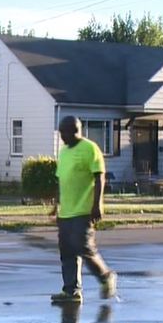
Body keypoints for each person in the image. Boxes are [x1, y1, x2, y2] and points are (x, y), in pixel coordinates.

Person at [50, 116, 117, 304]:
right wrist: (56, 204)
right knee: (67, 251)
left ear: (75, 130)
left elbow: (99, 177)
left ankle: (106, 277)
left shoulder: (89, 148)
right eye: (60, 132)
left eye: (64, 132)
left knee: (84, 248)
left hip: (84, 210)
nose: (62, 136)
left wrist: (97, 204)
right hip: (66, 211)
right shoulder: (63, 152)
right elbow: (61, 179)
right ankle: (71, 291)